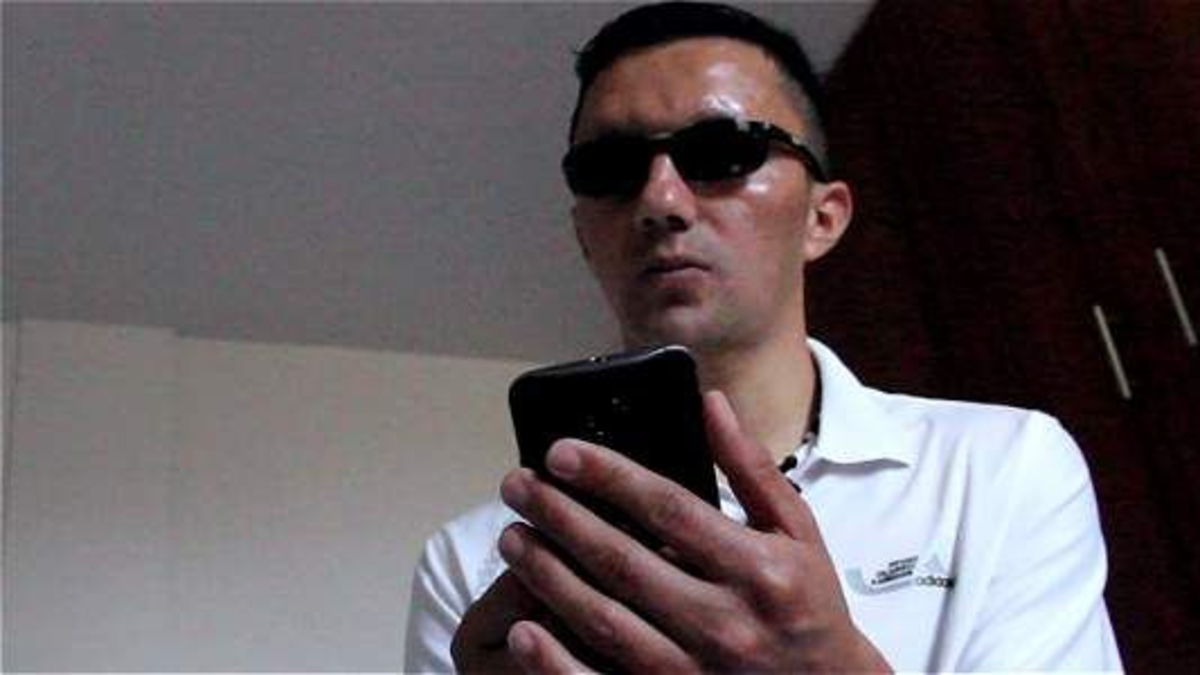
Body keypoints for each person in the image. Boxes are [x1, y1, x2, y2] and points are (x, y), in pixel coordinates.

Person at [404, 2, 1123, 671]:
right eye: (610, 169)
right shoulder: (476, 567)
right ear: (584, 237)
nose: (660, 200)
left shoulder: (1001, 468)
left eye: (722, 151)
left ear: (823, 217)